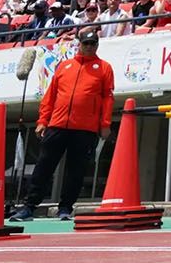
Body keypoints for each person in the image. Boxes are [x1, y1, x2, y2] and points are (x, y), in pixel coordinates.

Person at [10, 28, 114, 221]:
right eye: (86, 43)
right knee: (44, 166)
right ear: (79, 44)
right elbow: (50, 96)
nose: (90, 47)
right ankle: (29, 207)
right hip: (57, 125)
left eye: (93, 44)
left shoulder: (104, 68)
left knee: (76, 171)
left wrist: (105, 123)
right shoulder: (64, 66)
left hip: (85, 128)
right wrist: (43, 121)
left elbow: (108, 98)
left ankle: (65, 208)